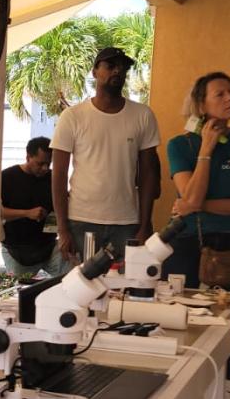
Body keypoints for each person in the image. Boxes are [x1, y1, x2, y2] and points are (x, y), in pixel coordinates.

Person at [163, 72, 230, 395]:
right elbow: (188, 200)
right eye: (220, 94)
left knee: (229, 325)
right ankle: (180, 393)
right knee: (180, 321)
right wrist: (205, 149)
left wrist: (196, 204)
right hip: (187, 244)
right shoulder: (180, 145)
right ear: (201, 103)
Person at [52, 46, 161, 262]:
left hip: (128, 223)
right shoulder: (72, 116)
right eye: (110, 66)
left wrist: (145, 223)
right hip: (81, 221)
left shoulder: (143, 115)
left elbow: (149, 173)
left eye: (123, 68)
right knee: (81, 291)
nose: (117, 72)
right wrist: (63, 228)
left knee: (125, 291)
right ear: (94, 71)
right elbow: (58, 175)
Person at [1, 136, 69, 278]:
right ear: (28, 157)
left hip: (48, 246)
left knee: (71, 278)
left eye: (48, 164)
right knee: (19, 292)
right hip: (16, 250)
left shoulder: (53, 177)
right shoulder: (7, 177)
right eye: (40, 163)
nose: (44, 168)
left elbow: (63, 203)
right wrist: (26, 213)